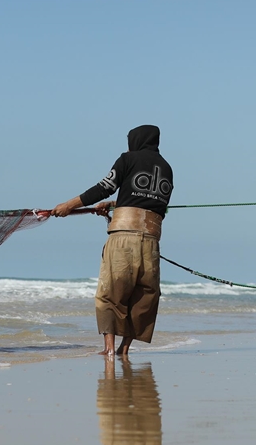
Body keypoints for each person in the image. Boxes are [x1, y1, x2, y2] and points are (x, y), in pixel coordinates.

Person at [52, 125, 174, 357]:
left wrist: (69, 206)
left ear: (135, 141)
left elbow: (104, 188)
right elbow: (149, 202)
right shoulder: (167, 168)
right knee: (143, 295)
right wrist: (113, 205)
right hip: (151, 241)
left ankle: (108, 348)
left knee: (111, 292)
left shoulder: (128, 159)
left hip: (123, 238)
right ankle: (123, 350)